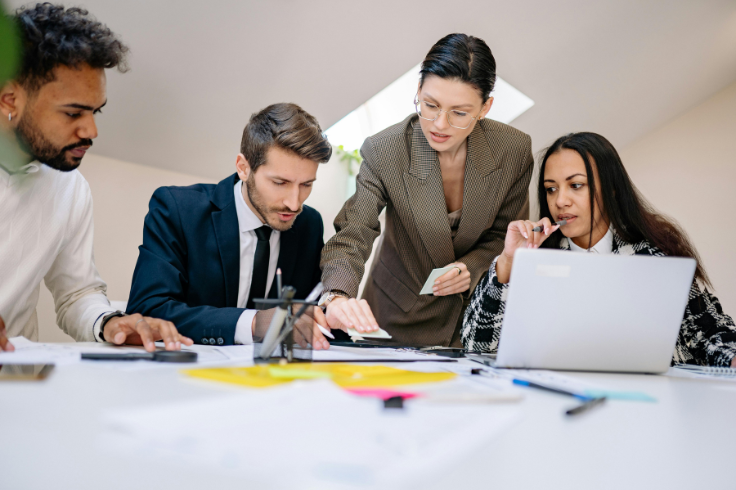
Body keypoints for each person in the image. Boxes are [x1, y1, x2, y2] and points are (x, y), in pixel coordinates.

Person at [319, 33, 534, 346]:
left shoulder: (513, 150)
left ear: (485, 107)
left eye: (459, 112)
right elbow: (353, 232)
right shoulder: (385, 150)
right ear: (418, 90)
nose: (439, 124)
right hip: (394, 318)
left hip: (473, 321)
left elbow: (506, 236)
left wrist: (470, 267)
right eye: (430, 105)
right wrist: (336, 296)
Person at [0, 3, 189, 352]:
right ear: (10, 99)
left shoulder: (68, 186)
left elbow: (76, 293)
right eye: (73, 113)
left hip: (14, 383)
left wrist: (110, 323)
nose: (91, 130)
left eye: (95, 111)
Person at [462, 132, 736, 367]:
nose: (560, 201)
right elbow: (476, 345)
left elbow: (706, 331)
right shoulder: (535, 259)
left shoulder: (653, 255)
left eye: (576, 185)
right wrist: (509, 262)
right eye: (551, 189)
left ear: (612, 190)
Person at [126, 103, 334, 349]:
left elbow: (310, 314)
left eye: (306, 185)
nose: (294, 203)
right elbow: (147, 309)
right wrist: (253, 323)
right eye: (280, 182)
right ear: (243, 168)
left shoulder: (309, 225)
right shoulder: (177, 210)